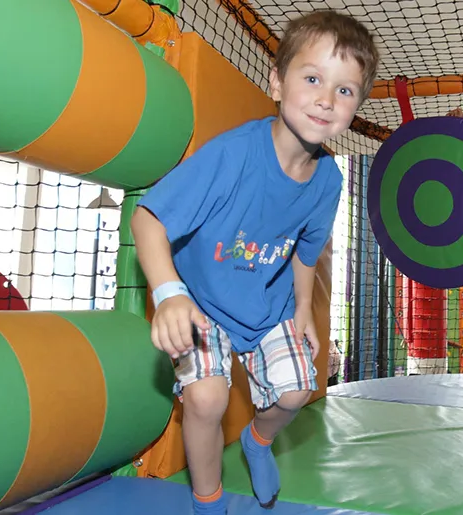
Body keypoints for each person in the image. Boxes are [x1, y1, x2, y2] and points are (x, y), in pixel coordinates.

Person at [130, 10, 379, 515]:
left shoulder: (328, 180)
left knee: (294, 393)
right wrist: (168, 293)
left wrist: (304, 311)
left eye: (346, 90)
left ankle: (257, 443)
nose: (327, 99)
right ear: (277, 82)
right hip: (198, 302)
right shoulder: (234, 155)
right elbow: (148, 219)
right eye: (312, 79)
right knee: (205, 400)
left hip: (265, 306)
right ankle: (208, 498)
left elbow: (307, 251)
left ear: (356, 106)